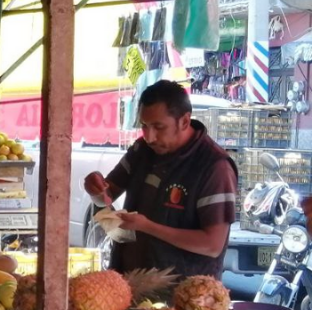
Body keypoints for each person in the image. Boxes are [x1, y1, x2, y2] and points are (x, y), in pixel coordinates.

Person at [84, 80, 237, 279]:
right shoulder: (141, 150)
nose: (150, 137)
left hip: (185, 295)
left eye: (159, 127)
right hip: (129, 284)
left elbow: (212, 245)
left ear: (184, 121)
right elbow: (107, 194)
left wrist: (147, 226)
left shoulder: (214, 166)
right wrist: (95, 189)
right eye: (144, 126)